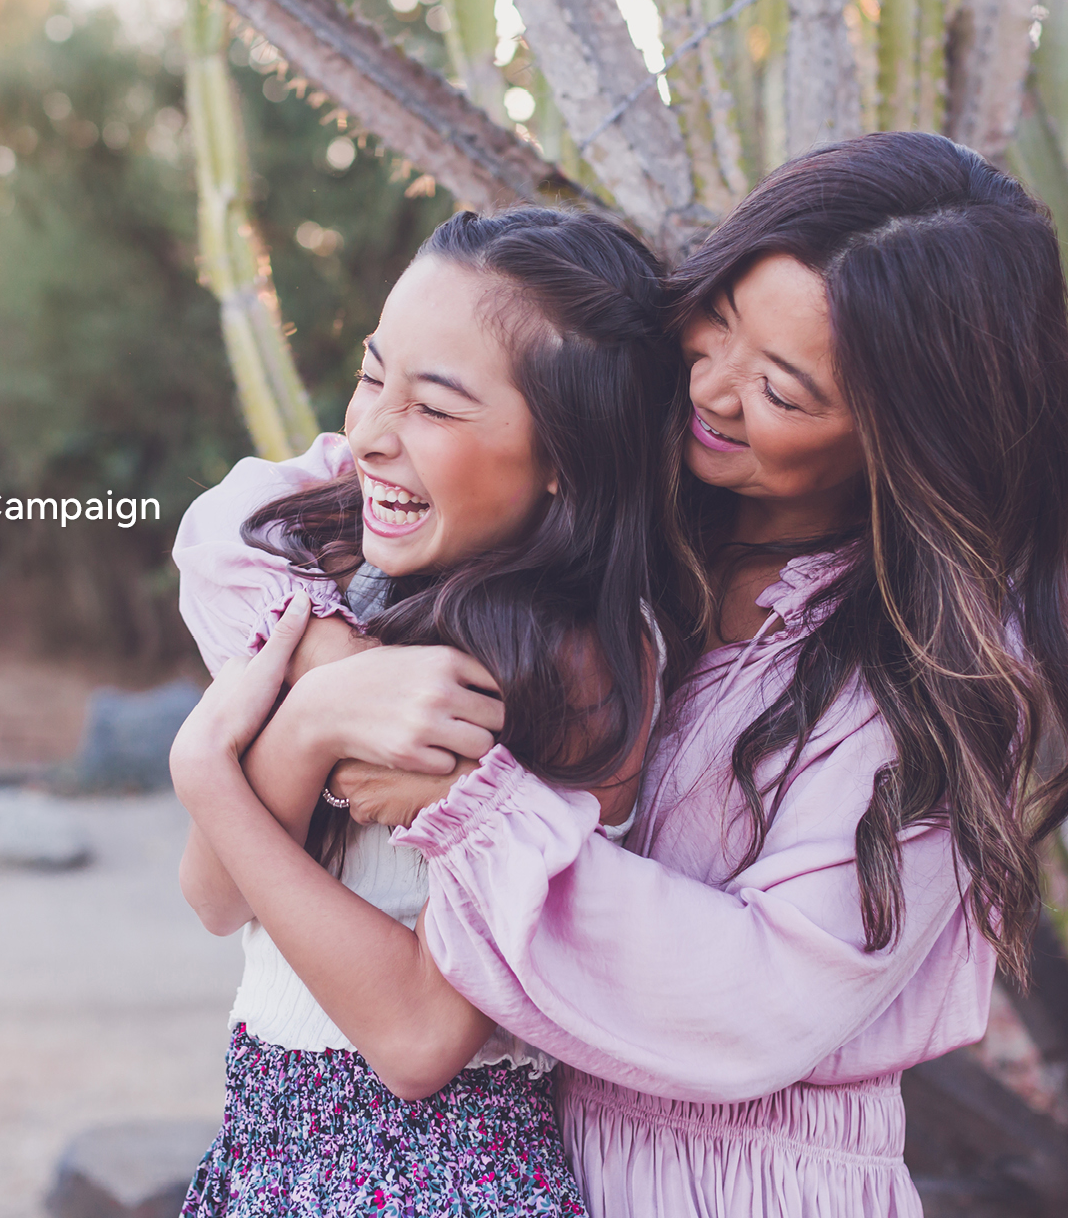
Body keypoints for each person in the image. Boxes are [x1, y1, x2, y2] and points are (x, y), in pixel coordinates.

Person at [172, 132, 1068, 1215]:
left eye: (783, 389)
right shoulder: (610, 467)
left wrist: (470, 797)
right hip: (533, 1149)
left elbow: (756, 1001)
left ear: (902, 440)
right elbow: (245, 517)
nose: (713, 386)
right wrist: (334, 673)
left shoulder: (933, 676)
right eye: (719, 318)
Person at [172, 206, 681, 1215]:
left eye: (435, 407)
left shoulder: (577, 669)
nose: (367, 432)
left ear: (563, 458)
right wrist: (321, 705)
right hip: (275, 1141)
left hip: (436, 1170)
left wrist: (214, 768)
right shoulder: (347, 585)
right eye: (370, 376)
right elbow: (216, 894)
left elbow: (417, 1040)